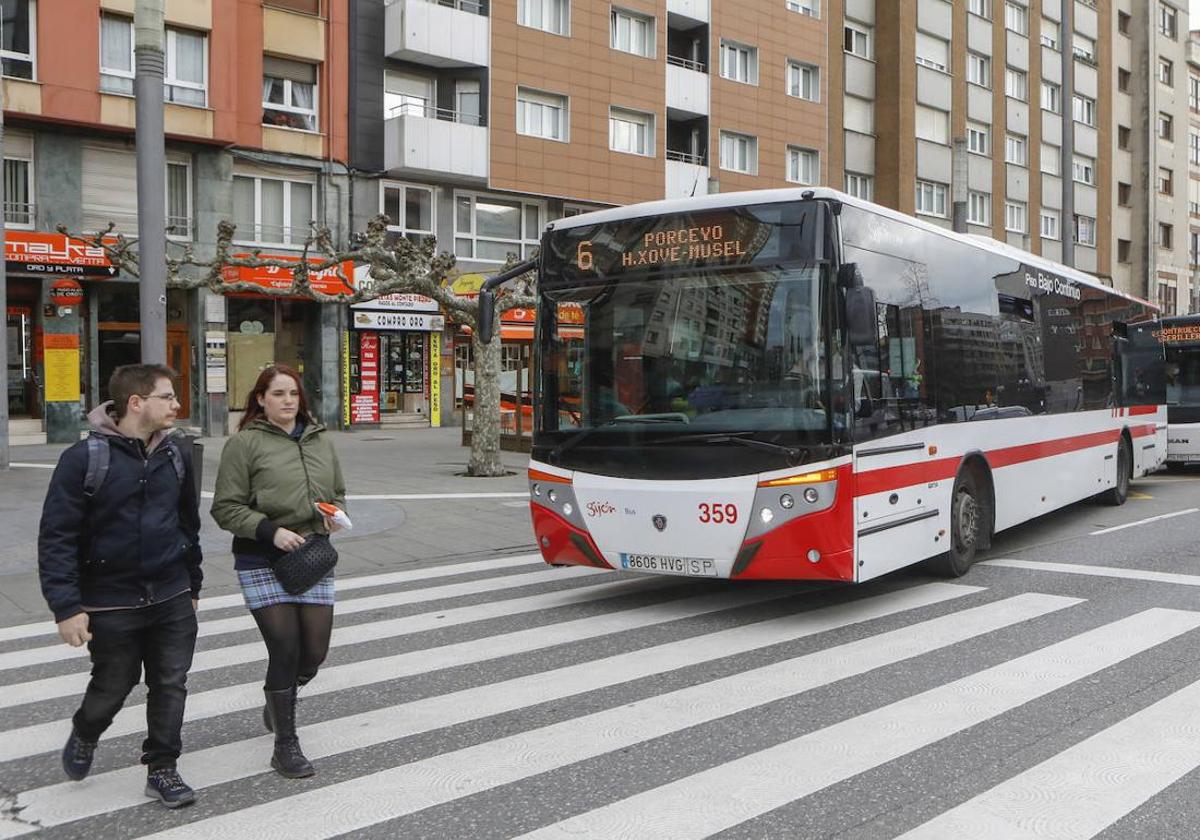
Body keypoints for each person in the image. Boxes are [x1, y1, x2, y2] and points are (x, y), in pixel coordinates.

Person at [37, 363, 202, 808]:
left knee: (171, 682)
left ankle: (163, 768)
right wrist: (66, 606)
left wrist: (193, 583)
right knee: (114, 683)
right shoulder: (83, 459)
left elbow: (188, 523)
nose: (176, 405)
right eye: (167, 397)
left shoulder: (177, 453)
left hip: (169, 592)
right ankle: (87, 729)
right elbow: (57, 536)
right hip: (111, 600)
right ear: (136, 403)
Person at [210, 364, 346, 779]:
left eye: (293, 394)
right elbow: (224, 508)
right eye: (278, 394)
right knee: (284, 649)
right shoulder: (244, 444)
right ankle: (285, 743)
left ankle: (277, 700)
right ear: (260, 400)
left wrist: (335, 514)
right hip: (262, 558)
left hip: (311, 554)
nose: (288, 401)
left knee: (314, 653)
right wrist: (271, 531)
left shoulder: (320, 440)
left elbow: (337, 491)